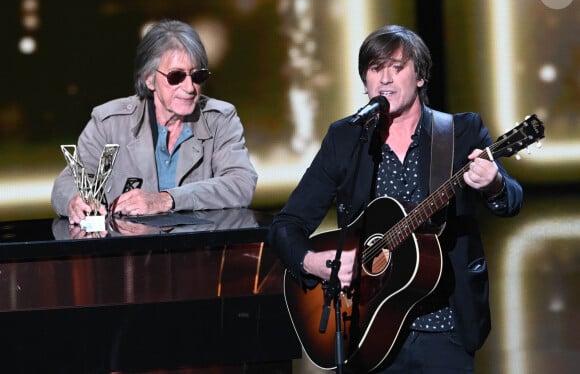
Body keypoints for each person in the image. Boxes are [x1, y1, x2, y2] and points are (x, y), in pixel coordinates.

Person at [268, 24, 524, 373]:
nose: (385, 79)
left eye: (397, 67)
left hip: (445, 327)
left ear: (420, 76)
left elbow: (511, 201)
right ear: (364, 82)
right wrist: (312, 263)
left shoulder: (460, 132)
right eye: (376, 69)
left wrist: (493, 184)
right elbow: (287, 225)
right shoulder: (346, 138)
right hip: (366, 328)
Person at [52, 19, 258, 225]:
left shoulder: (220, 119)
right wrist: (74, 201)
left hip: (199, 251)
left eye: (197, 76)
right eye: (176, 76)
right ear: (149, 79)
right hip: (130, 252)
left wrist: (167, 199)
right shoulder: (109, 122)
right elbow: (67, 183)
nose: (189, 87)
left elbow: (241, 183)